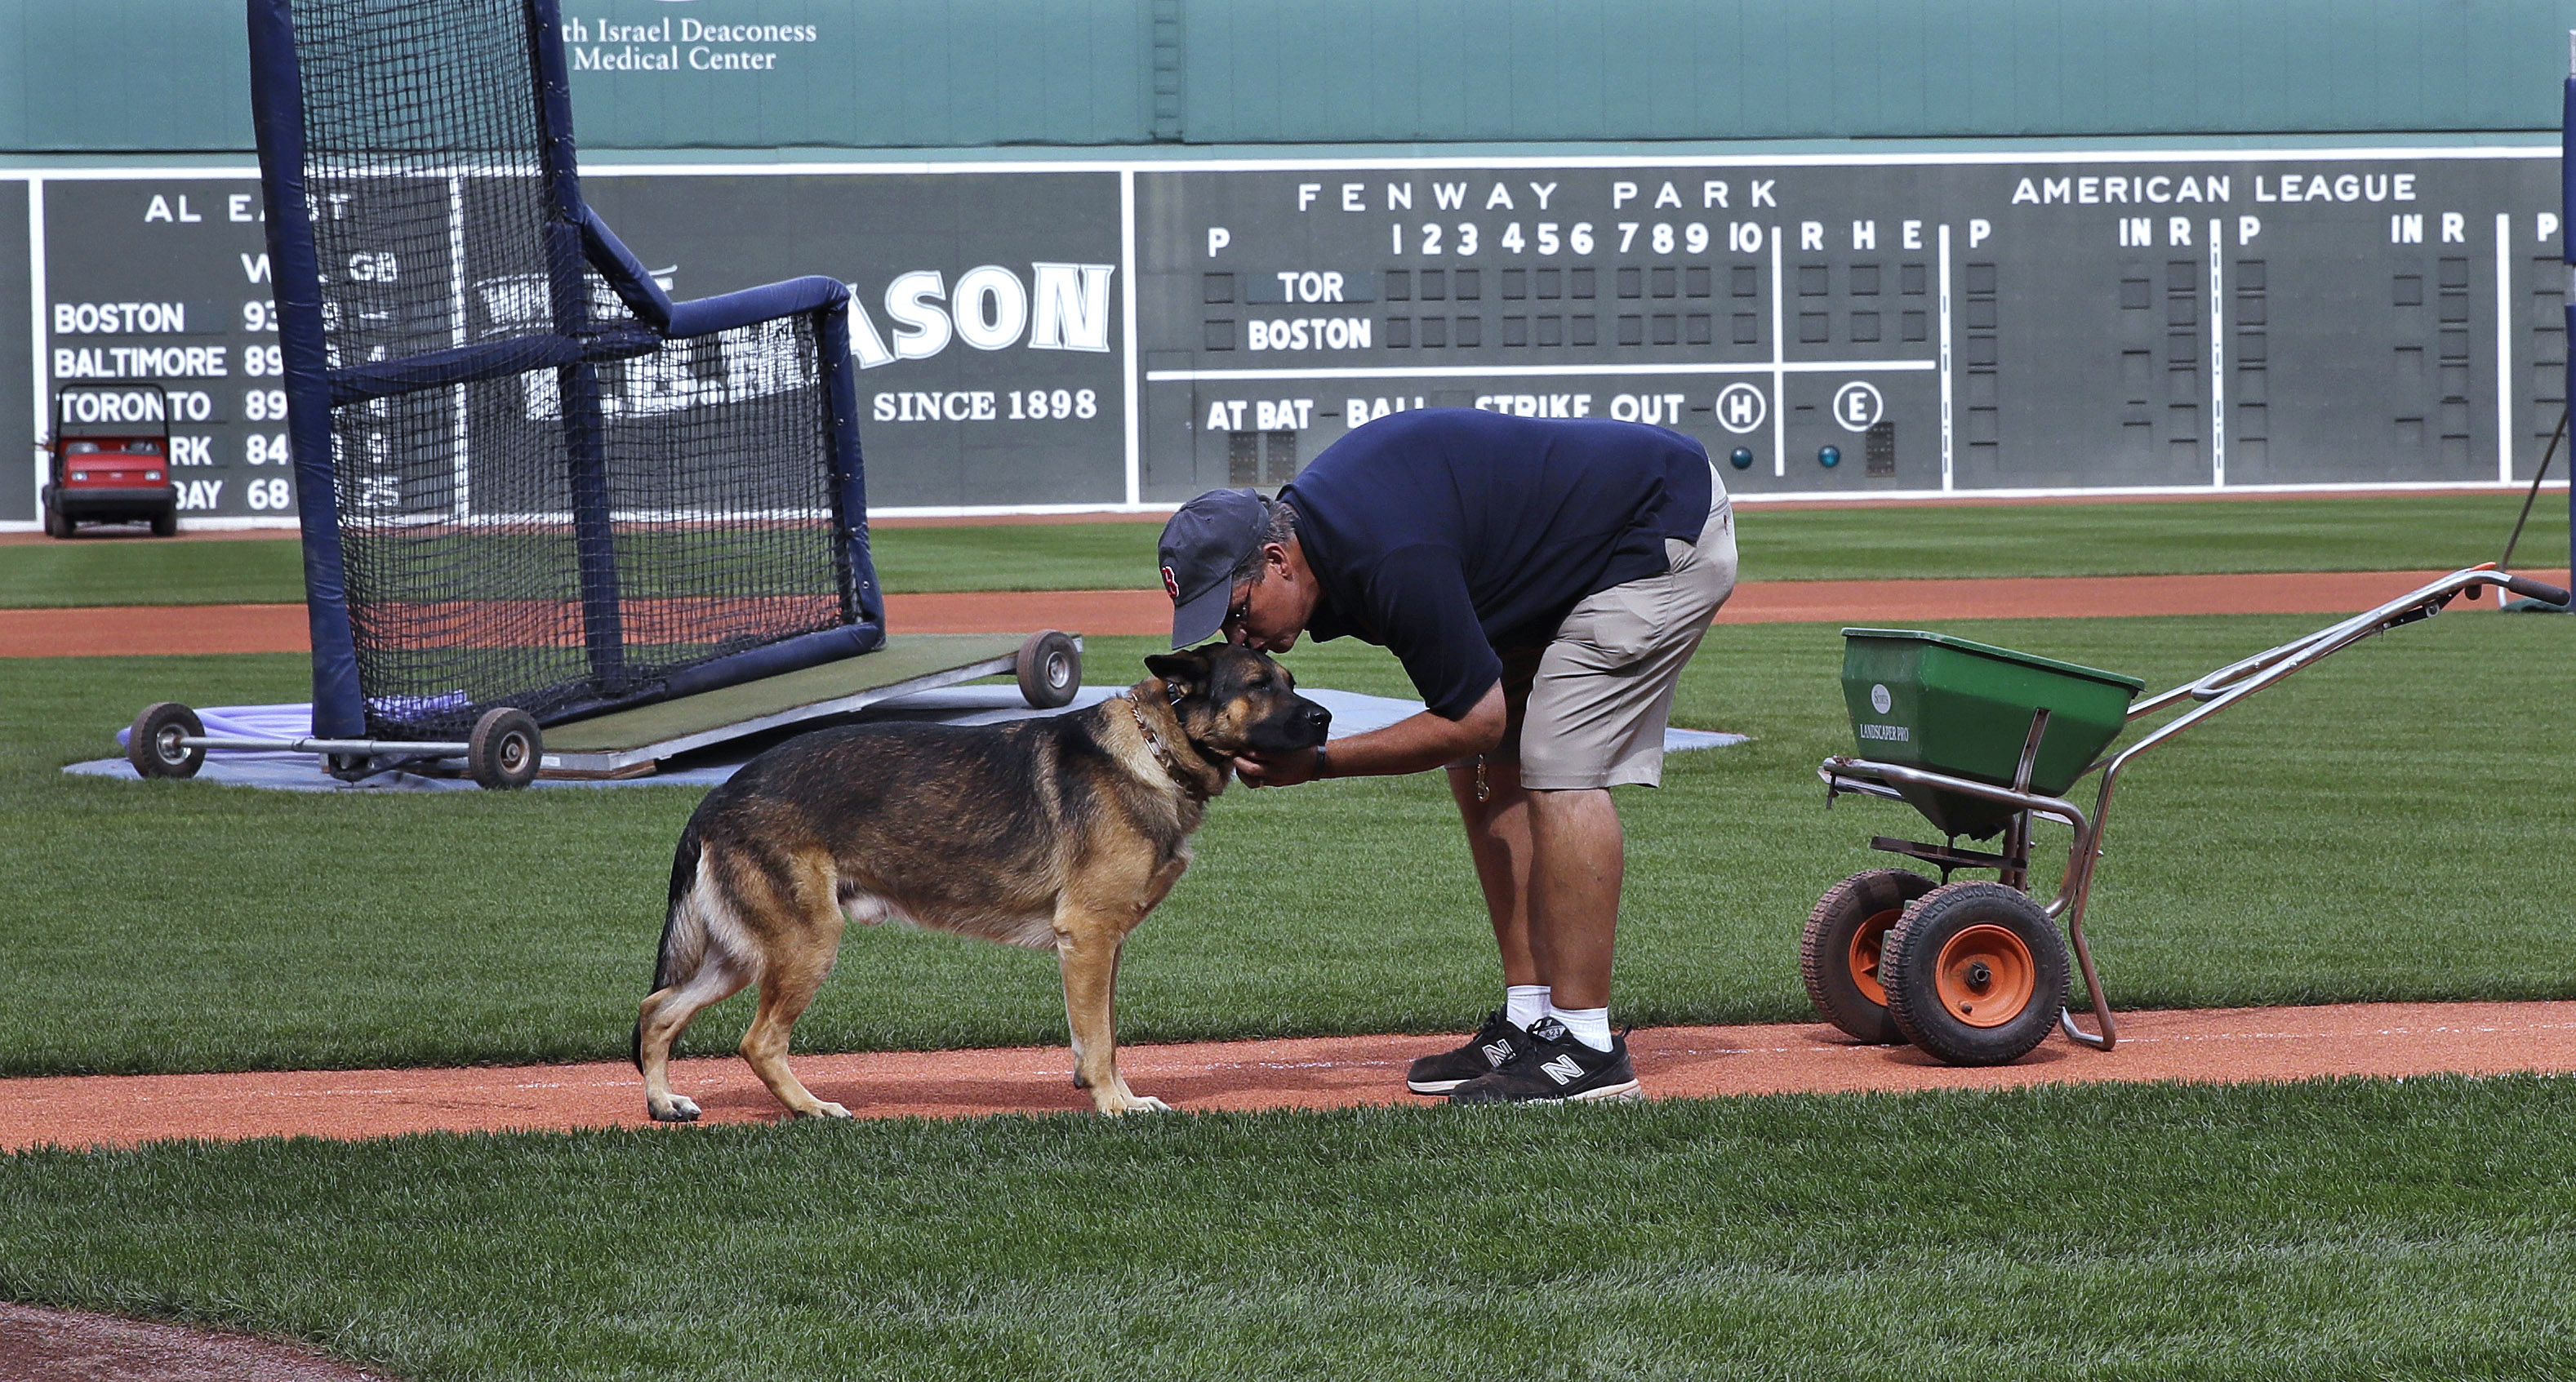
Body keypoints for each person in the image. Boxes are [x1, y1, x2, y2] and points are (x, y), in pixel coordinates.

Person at [1155, 408, 1736, 1103]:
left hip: (1653, 529)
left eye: (1236, 608)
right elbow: (1475, 735)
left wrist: (1318, 762)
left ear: (1277, 562)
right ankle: (1530, 1017)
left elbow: (1471, 718)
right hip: (1559, 564)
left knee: (1557, 758)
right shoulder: (1330, 550)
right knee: (1482, 769)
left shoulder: (1383, 550)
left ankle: (1585, 1044)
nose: (1235, 633)